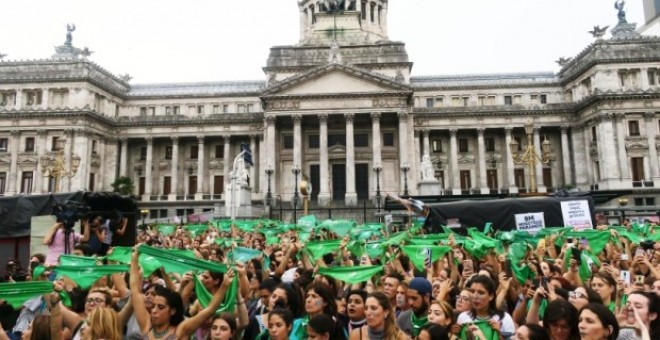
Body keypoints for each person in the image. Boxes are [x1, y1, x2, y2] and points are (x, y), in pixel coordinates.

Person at [456, 275, 516, 339]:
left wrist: (499, 335)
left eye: (481, 293)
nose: (475, 296)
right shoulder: (463, 317)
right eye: (472, 291)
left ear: (491, 296)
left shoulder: (504, 318)